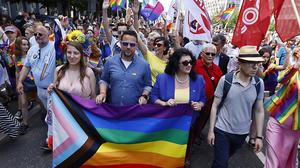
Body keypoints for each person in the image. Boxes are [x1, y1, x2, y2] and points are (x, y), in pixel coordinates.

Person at [207, 46, 265, 168]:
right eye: (251, 63)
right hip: (222, 130)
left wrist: (258, 136)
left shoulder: (259, 83)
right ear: (240, 63)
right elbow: (215, 105)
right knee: (222, 164)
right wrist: (211, 131)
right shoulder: (226, 80)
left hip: (241, 133)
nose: (255, 67)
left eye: (257, 64)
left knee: (222, 159)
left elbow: (259, 110)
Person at [149, 48, 206, 166]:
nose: (189, 65)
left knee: (184, 147)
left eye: (191, 62)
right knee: (164, 148)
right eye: (185, 63)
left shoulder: (198, 80)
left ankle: (182, 160)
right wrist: (164, 103)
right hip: (166, 124)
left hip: (188, 124)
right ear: (176, 64)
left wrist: (199, 105)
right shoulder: (163, 78)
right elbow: (153, 97)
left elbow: (203, 98)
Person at [16, 25, 56, 150]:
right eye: (35, 35)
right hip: (40, 90)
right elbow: (26, 67)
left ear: (48, 33)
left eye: (41, 34)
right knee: (53, 117)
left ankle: (50, 141)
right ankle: (61, 134)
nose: (38, 36)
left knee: (51, 117)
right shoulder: (32, 49)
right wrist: (20, 81)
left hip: (53, 90)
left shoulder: (56, 47)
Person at [264, 46, 300, 168]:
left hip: (295, 128)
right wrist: (295, 66)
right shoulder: (293, 70)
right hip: (278, 121)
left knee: (287, 163)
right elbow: (281, 78)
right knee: (273, 162)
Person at [95, 30, 152, 106]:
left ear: (136, 46)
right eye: (125, 44)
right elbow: (104, 80)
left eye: (132, 45)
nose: (128, 47)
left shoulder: (144, 65)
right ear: (120, 44)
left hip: (134, 111)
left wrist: (144, 96)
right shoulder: (110, 62)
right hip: (113, 110)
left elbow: (148, 85)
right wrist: (102, 93)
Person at [192, 43, 223, 145]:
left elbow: (220, 87)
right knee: (189, 125)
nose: (210, 56)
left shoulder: (217, 70)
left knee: (200, 123)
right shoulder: (193, 65)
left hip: (208, 103)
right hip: (192, 102)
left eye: (213, 54)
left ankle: (195, 138)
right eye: (208, 53)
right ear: (202, 54)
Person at [13, 37, 36, 134]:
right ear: (19, 45)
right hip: (23, 82)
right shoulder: (15, 57)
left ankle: (46, 116)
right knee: (23, 103)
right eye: (23, 44)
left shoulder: (32, 54)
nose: (26, 46)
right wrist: (18, 82)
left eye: (27, 44)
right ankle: (25, 124)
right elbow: (17, 71)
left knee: (39, 100)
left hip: (34, 81)